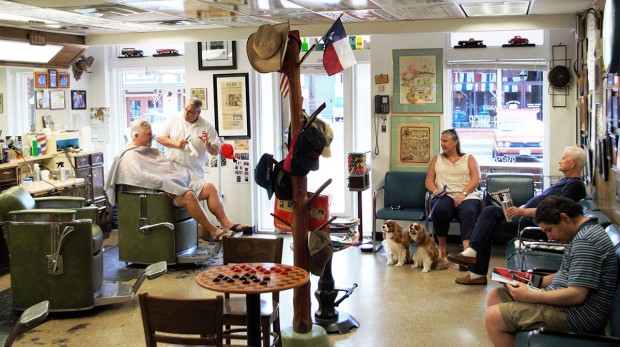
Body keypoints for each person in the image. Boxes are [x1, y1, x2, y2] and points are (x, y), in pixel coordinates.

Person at [485, 195, 618, 346]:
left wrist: (528, 296)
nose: (549, 237)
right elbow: (565, 274)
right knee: (496, 295)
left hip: (576, 315)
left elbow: (576, 295)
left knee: (493, 317)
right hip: (566, 305)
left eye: (549, 230)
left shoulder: (585, 242)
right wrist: (527, 279)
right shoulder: (582, 233)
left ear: (564, 218)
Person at [447, 146, 587, 285]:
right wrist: (522, 208)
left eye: (563, 158)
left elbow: (554, 211)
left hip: (534, 224)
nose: (560, 161)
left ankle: (475, 269)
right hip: (525, 216)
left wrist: (523, 211)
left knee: (485, 227)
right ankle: (472, 255)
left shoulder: (575, 185)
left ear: (573, 163)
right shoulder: (564, 181)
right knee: (489, 211)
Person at [105, 119, 247, 241]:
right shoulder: (129, 157)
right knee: (189, 196)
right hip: (159, 196)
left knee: (210, 188)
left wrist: (176, 182)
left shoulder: (149, 150)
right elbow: (142, 179)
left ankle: (225, 222)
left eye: (152, 134)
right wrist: (168, 186)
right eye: (148, 135)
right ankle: (213, 230)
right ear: (136, 135)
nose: (152, 137)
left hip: (173, 186)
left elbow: (167, 168)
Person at [425, 128, 481, 257]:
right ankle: (442, 248)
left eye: (445, 141)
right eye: (441, 141)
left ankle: (467, 252)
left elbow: (476, 178)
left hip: (467, 195)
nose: (442, 144)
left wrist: (464, 194)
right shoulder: (436, 159)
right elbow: (428, 181)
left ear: (455, 142)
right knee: (440, 209)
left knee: (469, 211)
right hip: (445, 195)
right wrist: (435, 191)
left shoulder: (469, 158)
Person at [156, 97, 221, 179]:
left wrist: (208, 145)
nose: (186, 113)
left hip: (194, 175)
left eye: (190, 112)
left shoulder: (207, 127)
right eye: (185, 109)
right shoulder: (173, 118)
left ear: (198, 112)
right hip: (172, 172)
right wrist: (176, 143)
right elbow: (159, 138)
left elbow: (216, 151)